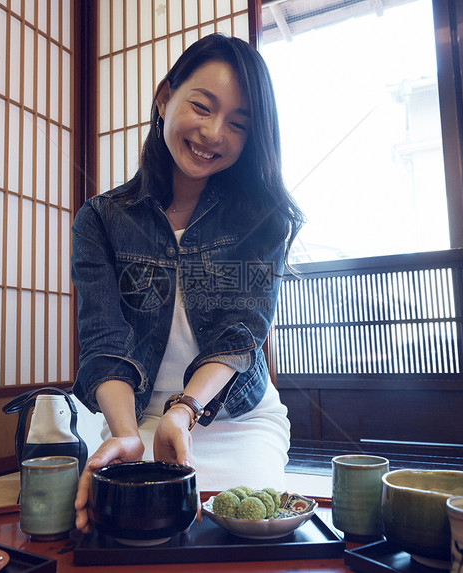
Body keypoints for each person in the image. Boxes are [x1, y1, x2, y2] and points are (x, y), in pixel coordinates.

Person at [70, 33, 303, 531]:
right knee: (102, 523)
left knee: (239, 526)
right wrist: (127, 435)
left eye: (238, 124)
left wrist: (184, 411)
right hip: (131, 419)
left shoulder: (264, 217)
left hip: (236, 422)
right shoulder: (100, 219)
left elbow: (241, 334)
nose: (214, 133)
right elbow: (103, 342)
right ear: (164, 98)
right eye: (202, 106)